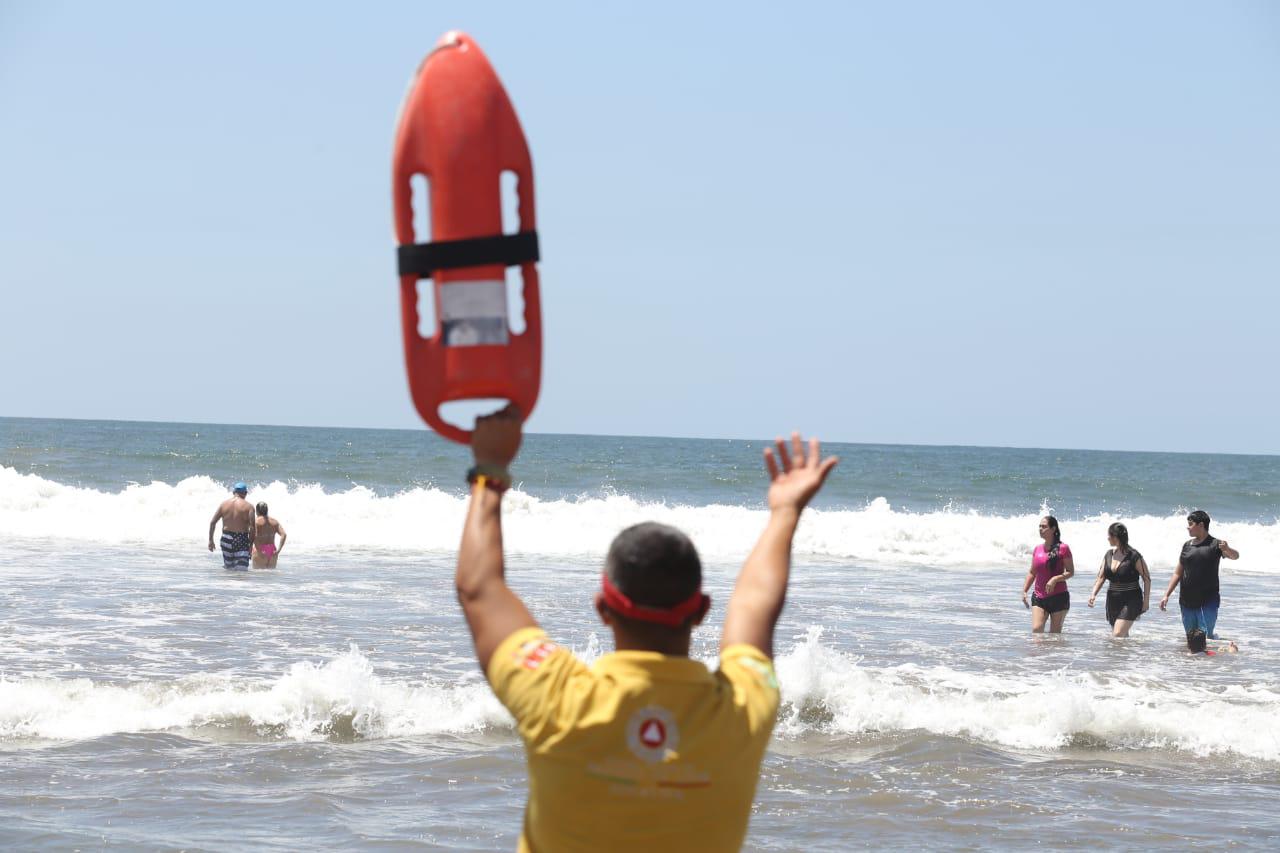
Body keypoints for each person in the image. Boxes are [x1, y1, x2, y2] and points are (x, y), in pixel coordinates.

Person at [454, 406, 837, 852]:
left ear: (603, 609)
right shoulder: (740, 708)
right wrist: (785, 512)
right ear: (701, 611)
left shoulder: (559, 697)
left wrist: (490, 470)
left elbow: (478, 589)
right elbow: (754, 606)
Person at [1159, 509, 1239, 649]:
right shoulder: (1187, 546)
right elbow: (1178, 573)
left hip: (1208, 599)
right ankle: (1194, 663)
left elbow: (1235, 556)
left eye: (1191, 524)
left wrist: (1227, 548)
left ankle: (1211, 659)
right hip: (1187, 599)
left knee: (1206, 637)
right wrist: (1166, 595)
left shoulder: (1216, 544)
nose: (1188, 527)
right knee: (1192, 639)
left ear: (1201, 525)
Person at [1086, 522, 1151, 637]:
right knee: (1121, 636)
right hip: (1113, 600)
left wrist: (1146, 601)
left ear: (1116, 537)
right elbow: (1101, 577)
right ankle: (1128, 649)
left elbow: (1146, 578)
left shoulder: (1134, 556)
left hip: (1131, 599)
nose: (1108, 538)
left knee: (1117, 634)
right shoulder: (1108, 554)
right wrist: (1093, 594)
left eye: (1109, 535)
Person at [1020, 516, 1075, 633]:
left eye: (1044, 526)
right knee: (1036, 629)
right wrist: (1025, 590)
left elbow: (1070, 572)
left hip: (1059, 597)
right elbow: (1032, 572)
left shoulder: (1063, 548)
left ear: (1053, 529)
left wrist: (1055, 579)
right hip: (1039, 597)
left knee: (1055, 635)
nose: (1040, 529)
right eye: (1039, 526)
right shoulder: (1037, 549)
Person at [208, 482, 254, 570]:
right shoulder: (249, 507)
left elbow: (213, 522)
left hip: (226, 538)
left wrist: (211, 540)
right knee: (241, 570)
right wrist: (251, 544)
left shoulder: (223, 504)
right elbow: (252, 527)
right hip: (241, 539)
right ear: (245, 493)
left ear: (233, 492)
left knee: (229, 569)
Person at [251, 502, 287, 569]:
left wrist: (259, 551)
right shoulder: (275, 522)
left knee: (258, 574)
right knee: (270, 574)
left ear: (257, 511)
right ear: (267, 510)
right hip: (272, 550)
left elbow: (254, 536)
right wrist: (278, 550)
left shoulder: (256, 522)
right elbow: (284, 535)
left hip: (260, 550)